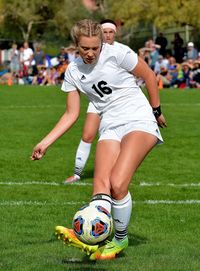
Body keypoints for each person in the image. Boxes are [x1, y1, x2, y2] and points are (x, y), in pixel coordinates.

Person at [31, 19, 167, 260]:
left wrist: (156, 111)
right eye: (85, 48)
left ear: (102, 44)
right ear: (76, 46)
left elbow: (148, 74)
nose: (91, 53)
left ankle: (119, 240)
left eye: (96, 47)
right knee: (100, 187)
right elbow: (71, 113)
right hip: (110, 124)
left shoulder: (118, 53)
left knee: (117, 183)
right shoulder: (73, 72)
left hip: (138, 117)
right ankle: (89, 233)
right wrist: (45, 142)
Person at [64, 19, 119, 184]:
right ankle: (77, 173)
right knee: (87, 135)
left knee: (114, 140)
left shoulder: (118, 53)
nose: (108, 35)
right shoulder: (80, 62)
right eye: (106, 32)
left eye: (111, 32)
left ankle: (114, 175)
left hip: (118, 106)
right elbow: (71, 113)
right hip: (97, 101)